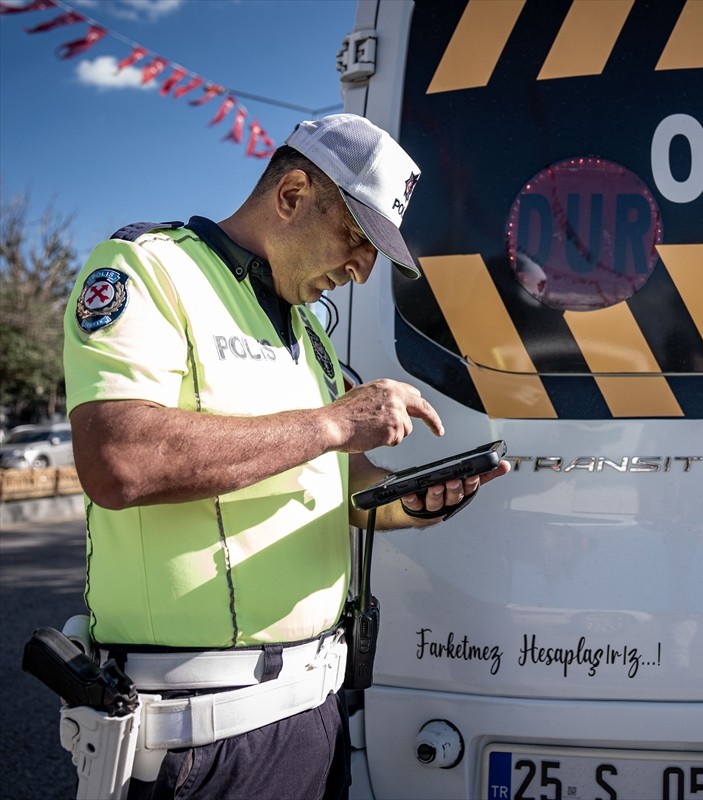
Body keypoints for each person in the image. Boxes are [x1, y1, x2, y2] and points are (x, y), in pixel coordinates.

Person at [62, 113, 509, 799]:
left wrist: (407, 503)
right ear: (293, 194)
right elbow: (118, 461)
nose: (361, 270)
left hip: (312, 715)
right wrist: (333, 422)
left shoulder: (309, 331)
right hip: (195, 737)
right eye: (357, 238)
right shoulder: (148, 268)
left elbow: (343, 487)